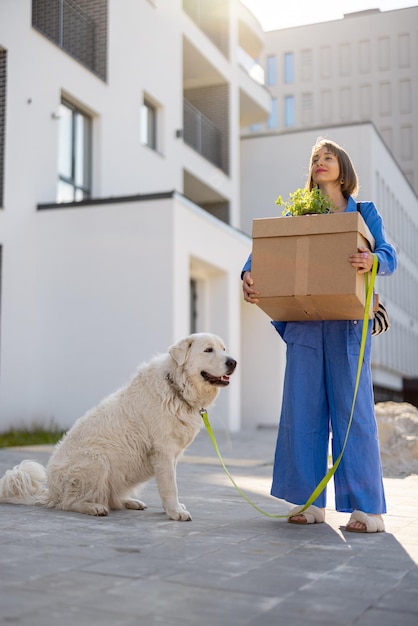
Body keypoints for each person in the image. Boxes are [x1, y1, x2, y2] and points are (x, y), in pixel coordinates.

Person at [241, 139, 397, 533]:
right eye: (315, 159)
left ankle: (366, 510)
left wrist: (373, 259)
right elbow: (267, 251)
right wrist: (248, 274)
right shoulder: (300, 212)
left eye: (327, 157)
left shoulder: (365, 212)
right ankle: (308, 504)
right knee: (302, 412)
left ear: (343, 168)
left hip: (347, 327)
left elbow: (390, 256)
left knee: (354, 415)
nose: (320, 163)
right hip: (306, 325)